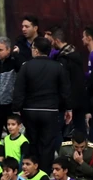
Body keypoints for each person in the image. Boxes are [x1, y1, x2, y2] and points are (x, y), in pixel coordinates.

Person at [12, 36, 71, 170]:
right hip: (50, 111)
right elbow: (65, 90)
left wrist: (16, 109)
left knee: (32, 142)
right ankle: (44, 171)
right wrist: (68, 108)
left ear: (36, 50)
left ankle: (32, 170)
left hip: (29, 111)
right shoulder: (58, 67)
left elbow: (19, 90)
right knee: (47, 144)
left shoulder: (26, 66)